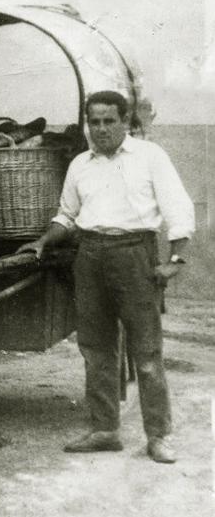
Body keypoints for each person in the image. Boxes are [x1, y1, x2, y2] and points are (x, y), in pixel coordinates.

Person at [19, 90, 195, 463]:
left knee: (146, 352)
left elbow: (177, 207)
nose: (100, 129)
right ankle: (104, 430)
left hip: (135, 255)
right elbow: (67, 215)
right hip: (90, 257)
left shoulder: (150, 157)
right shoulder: (80, 164)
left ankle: (159, 436)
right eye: (94, 122)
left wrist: (175, 259)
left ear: (125, 121)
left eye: (108, 121)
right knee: (96, 349)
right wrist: (42, 241)